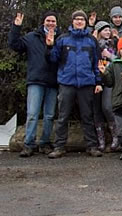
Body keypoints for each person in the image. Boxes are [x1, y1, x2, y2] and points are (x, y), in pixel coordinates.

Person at [47, 10, 103, 158]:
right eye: (76, 19)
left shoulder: (92, 40)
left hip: (86, 83)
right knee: (63, 116)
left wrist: (98, 81)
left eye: (82, 20)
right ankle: (59, 146)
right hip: (67, 82)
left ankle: (92, 146)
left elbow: (96, 63)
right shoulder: (63, 39)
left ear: (85, 23)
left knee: (88, 116)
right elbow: (54, 59)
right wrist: (50, 46)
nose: (79, 21)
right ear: (72, 21)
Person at [8, 11, 59, 157]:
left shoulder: (60, 38)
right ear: (43, 22)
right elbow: (14, 44)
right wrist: (16, 27)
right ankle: (29, 144)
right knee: (32, 114)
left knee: (49, 115)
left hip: (52, 82)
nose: (50, 24)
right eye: (48, 21)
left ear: (57, 24)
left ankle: (45, 143)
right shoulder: (32, 37)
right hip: (35, 80)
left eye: (53, 21)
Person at [92, 21, 118, 152]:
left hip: (109, 80)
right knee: (96, 111)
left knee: (107, 107)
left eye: (109, 30)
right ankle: (101, 140)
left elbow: (121, 59)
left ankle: (116, 137)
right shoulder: (93, 44)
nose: (108, 32)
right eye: (104, 30)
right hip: (95, 80)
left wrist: (110, 56)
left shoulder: (114, 43)